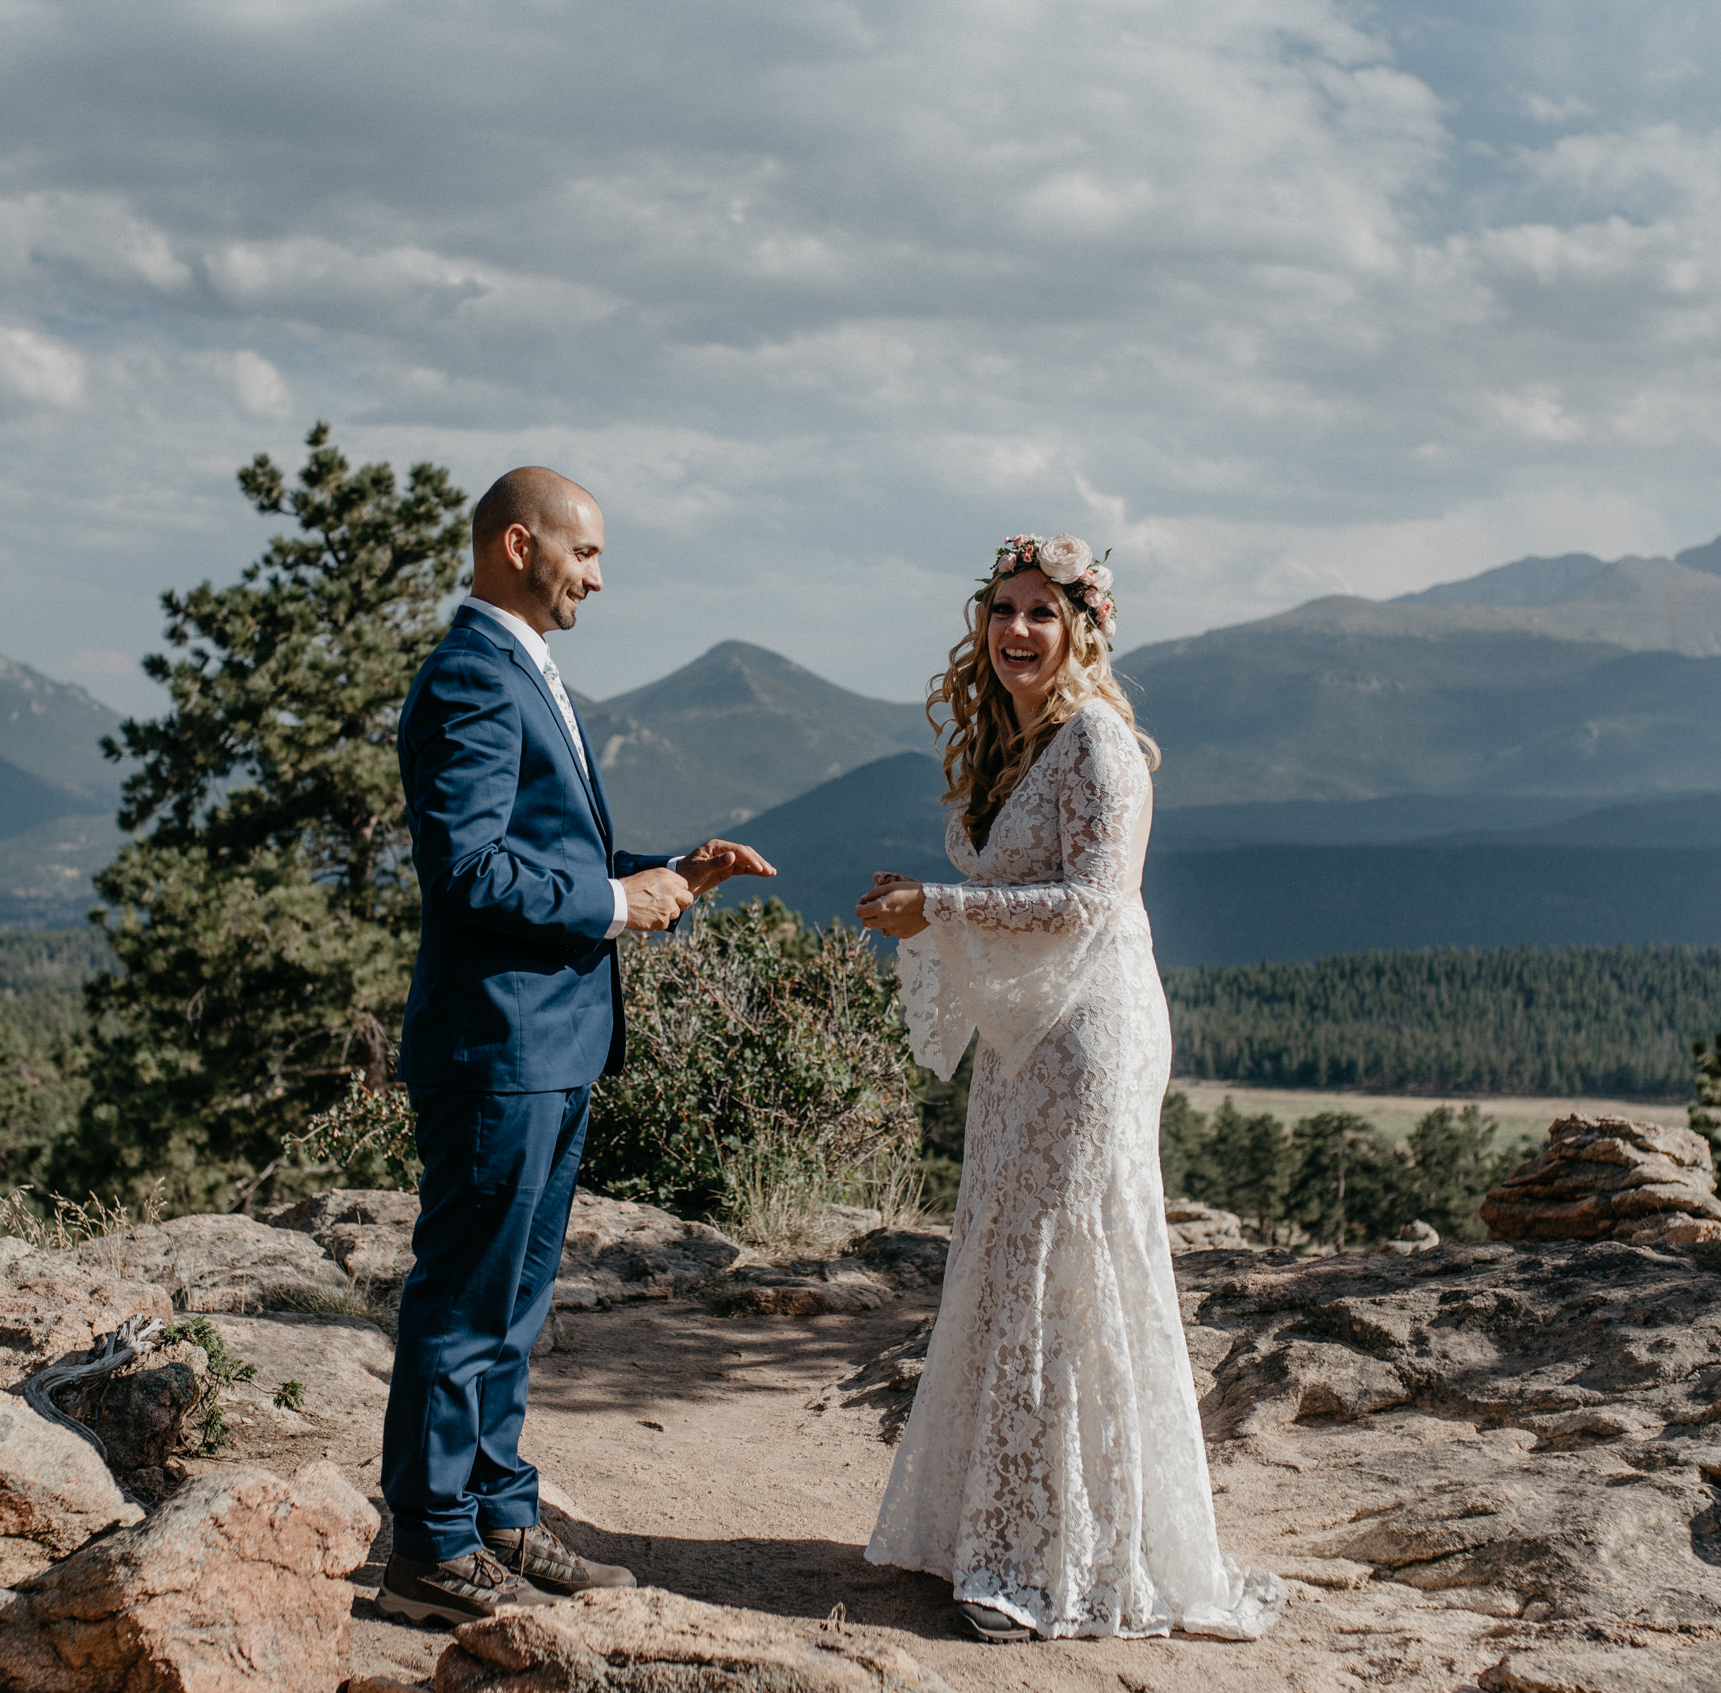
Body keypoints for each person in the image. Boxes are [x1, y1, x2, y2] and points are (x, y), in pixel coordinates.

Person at [856, 534, 1284, 1645]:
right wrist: (940, 905)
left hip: (1092, 1034)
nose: (1015, 631)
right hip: (1023, 1032)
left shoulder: (1098, 741)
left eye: (1041, 612)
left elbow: (1093, 902)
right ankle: (992, 1529)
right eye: (1003, 609)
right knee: (1005, 1256)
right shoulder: (1009, 741)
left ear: (1084, 629)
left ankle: (1058, 1562)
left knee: (1066, 1261)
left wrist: (938, 908)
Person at [379, 466, 775, 1624]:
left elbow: (530, 847)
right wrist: (615, 903)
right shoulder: (469, 675)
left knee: (515, 1301)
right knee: (463, 1300)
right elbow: (465, 870)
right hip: (498, 1045)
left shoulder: (515, 668)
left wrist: (664, 874)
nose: (598, 578)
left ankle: (501, 1513)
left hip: (548, 1046)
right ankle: (431, 1545)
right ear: (518, 543)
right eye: (585, 554)